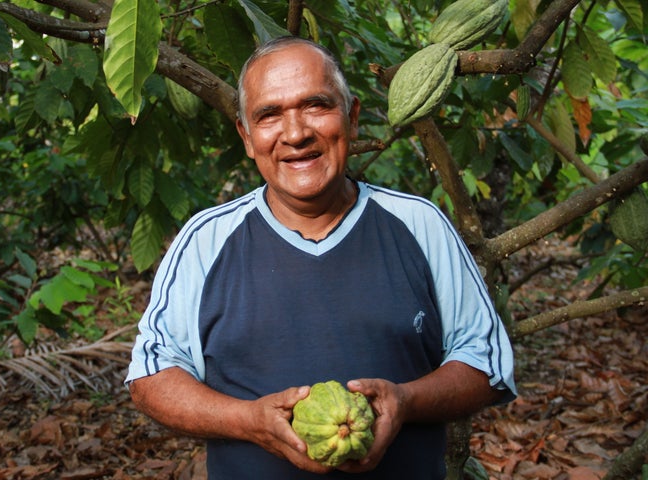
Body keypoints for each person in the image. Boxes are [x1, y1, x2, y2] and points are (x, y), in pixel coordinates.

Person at [126, 36, 516, 479]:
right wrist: (249, 422)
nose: (295, 134)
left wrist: (405, 402)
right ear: (247, 137)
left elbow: (486, 364)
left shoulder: (419, 224)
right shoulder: (206, 240)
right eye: (269, 115)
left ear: (351, 118)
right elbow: (152, 378)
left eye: (315, 105)